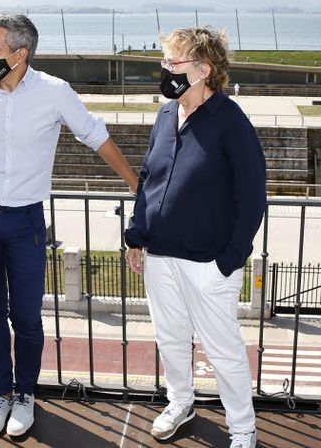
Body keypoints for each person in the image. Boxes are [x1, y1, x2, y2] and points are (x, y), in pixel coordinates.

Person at [0, 12, 138, 441]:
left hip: (25, 221)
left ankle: (25, 394)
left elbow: (94, 135)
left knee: (27, 316)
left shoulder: (54, 92)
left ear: (20, 54)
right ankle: (0, 394)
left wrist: (135, 184)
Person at [124, 27, 267, 448]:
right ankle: (180, 402)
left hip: (208, 264)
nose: (165, 70)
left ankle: (243, 429)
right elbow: (149, 178)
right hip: (160, 256)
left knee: (223, 351)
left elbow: (252, 197)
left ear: (204, 70)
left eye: (173, 62)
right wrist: (136, 235)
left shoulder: (231, 122)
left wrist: (229, 260)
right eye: (164, 61)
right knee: (170, 339)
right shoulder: (166, 115)